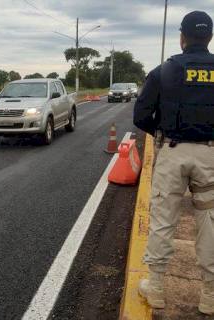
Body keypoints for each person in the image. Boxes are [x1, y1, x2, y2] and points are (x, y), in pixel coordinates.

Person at [134, 11, 214, 315]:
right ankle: (209, 295)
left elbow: (140, 115)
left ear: (182, 37)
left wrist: (162, 130)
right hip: (210, 155)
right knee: (209, 222)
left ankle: (155, 288)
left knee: (163, 218)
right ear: (209, 37)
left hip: (172, 151)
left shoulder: (164, 71)